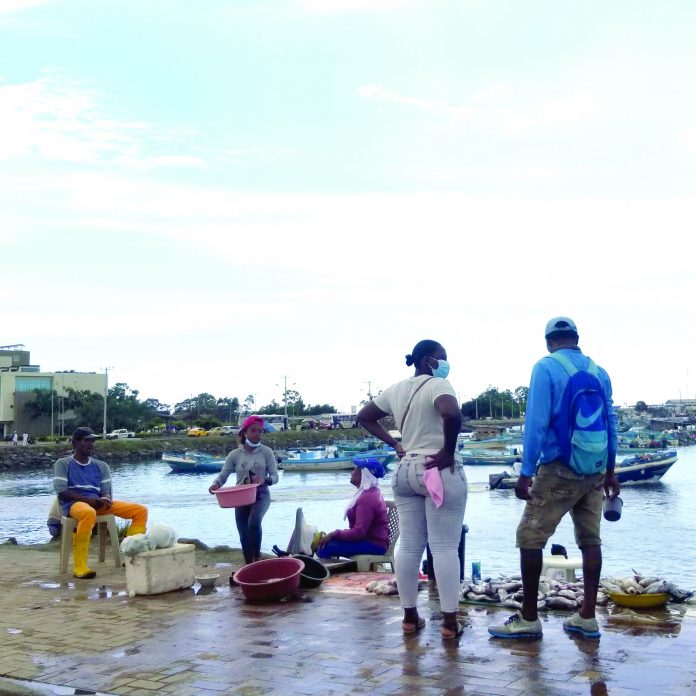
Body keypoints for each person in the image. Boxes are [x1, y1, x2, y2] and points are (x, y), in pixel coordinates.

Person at [488, 317, 620, 640]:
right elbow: (612, 421)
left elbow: (536, 423)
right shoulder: (599, 371)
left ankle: (529, 618)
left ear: (549, 342)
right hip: (594, 470)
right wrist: (611, 471)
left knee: (529, 537)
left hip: (559, 468)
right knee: (591, 540)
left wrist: (525, 473)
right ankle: (587, 616)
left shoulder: (545, 368)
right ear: (577, 338)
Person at [357, 339, 466, 639]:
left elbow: (365, 417)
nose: (446, 363)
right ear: (428, 360)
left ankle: (409, 617)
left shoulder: (395, 390)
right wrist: (447, 450)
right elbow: (452, 414)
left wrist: (395, 443)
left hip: (406, 471)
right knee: (444, 547)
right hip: (438, 469)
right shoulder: (438, 386)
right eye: (442, 358)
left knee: (408, 544)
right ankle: (449, 623)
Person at [53, 427, 149, 579]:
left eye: (93, 441)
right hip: (74, 504)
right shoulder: (63, 463)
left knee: (140, 510)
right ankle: (80, 567)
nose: (91, 444)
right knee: (87, 512)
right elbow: (62, 491)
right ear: (76, 442)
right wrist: (91, 501)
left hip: (97, 503)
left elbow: (105, 490)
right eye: (87, 441)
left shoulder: (101, 466)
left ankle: (131, 557)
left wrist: (104, 499)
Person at [208, 415, 279, 565]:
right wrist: (216, 484)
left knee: (253, 522)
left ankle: (257, 558)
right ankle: (249, 565)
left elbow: (275, 476)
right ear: (244, 433)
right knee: (243, 532)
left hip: (261, 495)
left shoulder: (266, 452)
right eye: (253, 431)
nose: (257, 434)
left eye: (260, 431)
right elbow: (224, 474)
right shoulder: (234, 455)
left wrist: (264, 480)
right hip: (241, 496)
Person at [316, 458, 390, 559]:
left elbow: (359, 532)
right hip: (370, 539)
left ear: (364, 474)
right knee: (327, 543)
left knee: (324, 549)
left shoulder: (367, 498)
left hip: (374, 544)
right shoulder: (370, 492)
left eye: (355, 470)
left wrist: (334, 534)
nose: (352, 472)